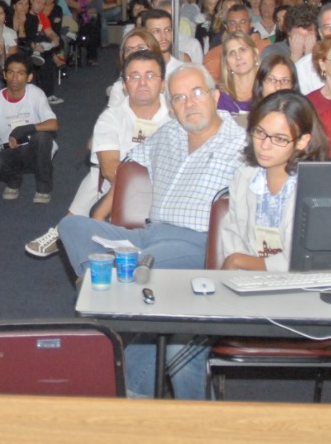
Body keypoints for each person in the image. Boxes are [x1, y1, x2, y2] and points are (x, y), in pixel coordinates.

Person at [56, 63, 248, 399]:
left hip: (197, 244)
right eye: (179, 98)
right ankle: (108, 292)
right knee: (71, 226)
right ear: (171, 106)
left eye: (197, 93)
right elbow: (128, 167)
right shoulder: (169, 132)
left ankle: (109, 295)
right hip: (147, 235)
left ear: (216, 96)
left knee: (149, 264)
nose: (189, 103)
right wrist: (100, 215)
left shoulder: (242, 146)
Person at [25, 48, 169, 258]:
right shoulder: (111, 117)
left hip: (164, 197)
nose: (142, 82)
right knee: (98, 174)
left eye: (150, 75)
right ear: (125, 85)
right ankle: (72, 230)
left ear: (163, 83)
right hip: (119, 193)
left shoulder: (176, 117)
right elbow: (111, 169)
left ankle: (68, 228)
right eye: (134, 76)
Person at [216, 90, 325, 271]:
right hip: (248, 282)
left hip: (300, 287)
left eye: (279, 139)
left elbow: (304, 262)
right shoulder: (244, 179)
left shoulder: (316, 189)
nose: (265, 146)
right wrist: (241, 268)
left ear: (302, 142)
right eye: (259, 132)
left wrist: (242, 262)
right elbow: (232, 237)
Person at [0, 57, 58, 204]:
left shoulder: (36, 94)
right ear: (4, 74)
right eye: (11, 72)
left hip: (35, 149)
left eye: (20, 73)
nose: (15, 78)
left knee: (43, 138)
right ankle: (14, 180)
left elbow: (53, 124)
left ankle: (44, 187)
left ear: (29, 77)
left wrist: (26, 129)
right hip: (9, 150)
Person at [215, 31, 260, 115]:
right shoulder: (218, 97)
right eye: (232, 53)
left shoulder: (269, 90)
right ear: (226, 63)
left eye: (242, 50)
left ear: (254, 54)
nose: (238, 57)